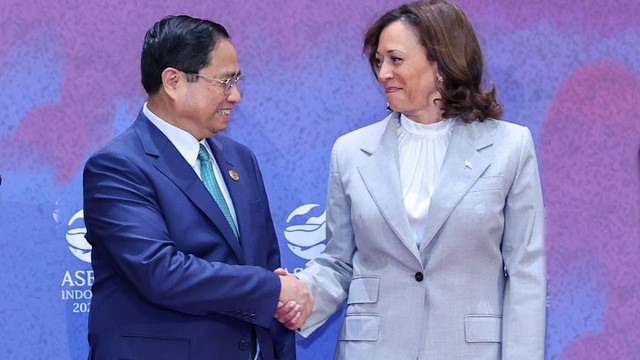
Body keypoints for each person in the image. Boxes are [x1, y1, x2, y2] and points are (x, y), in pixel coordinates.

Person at [275, 1, 546, 359]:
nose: (383, 72)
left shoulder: (510, 146)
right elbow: (338, 263)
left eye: (396, 59)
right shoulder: (351, 151)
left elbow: (526, 273)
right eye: (378, 61)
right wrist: (299, 294)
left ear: (441, 63)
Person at [83, 15, 311, 360]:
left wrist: (280, 302)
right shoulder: (118, 166)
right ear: (173, 81)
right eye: (224, 81)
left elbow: (264, 263)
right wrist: (272, 289)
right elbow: (161, 272)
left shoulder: (240, 159)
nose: (235, 96)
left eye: (237, 80)